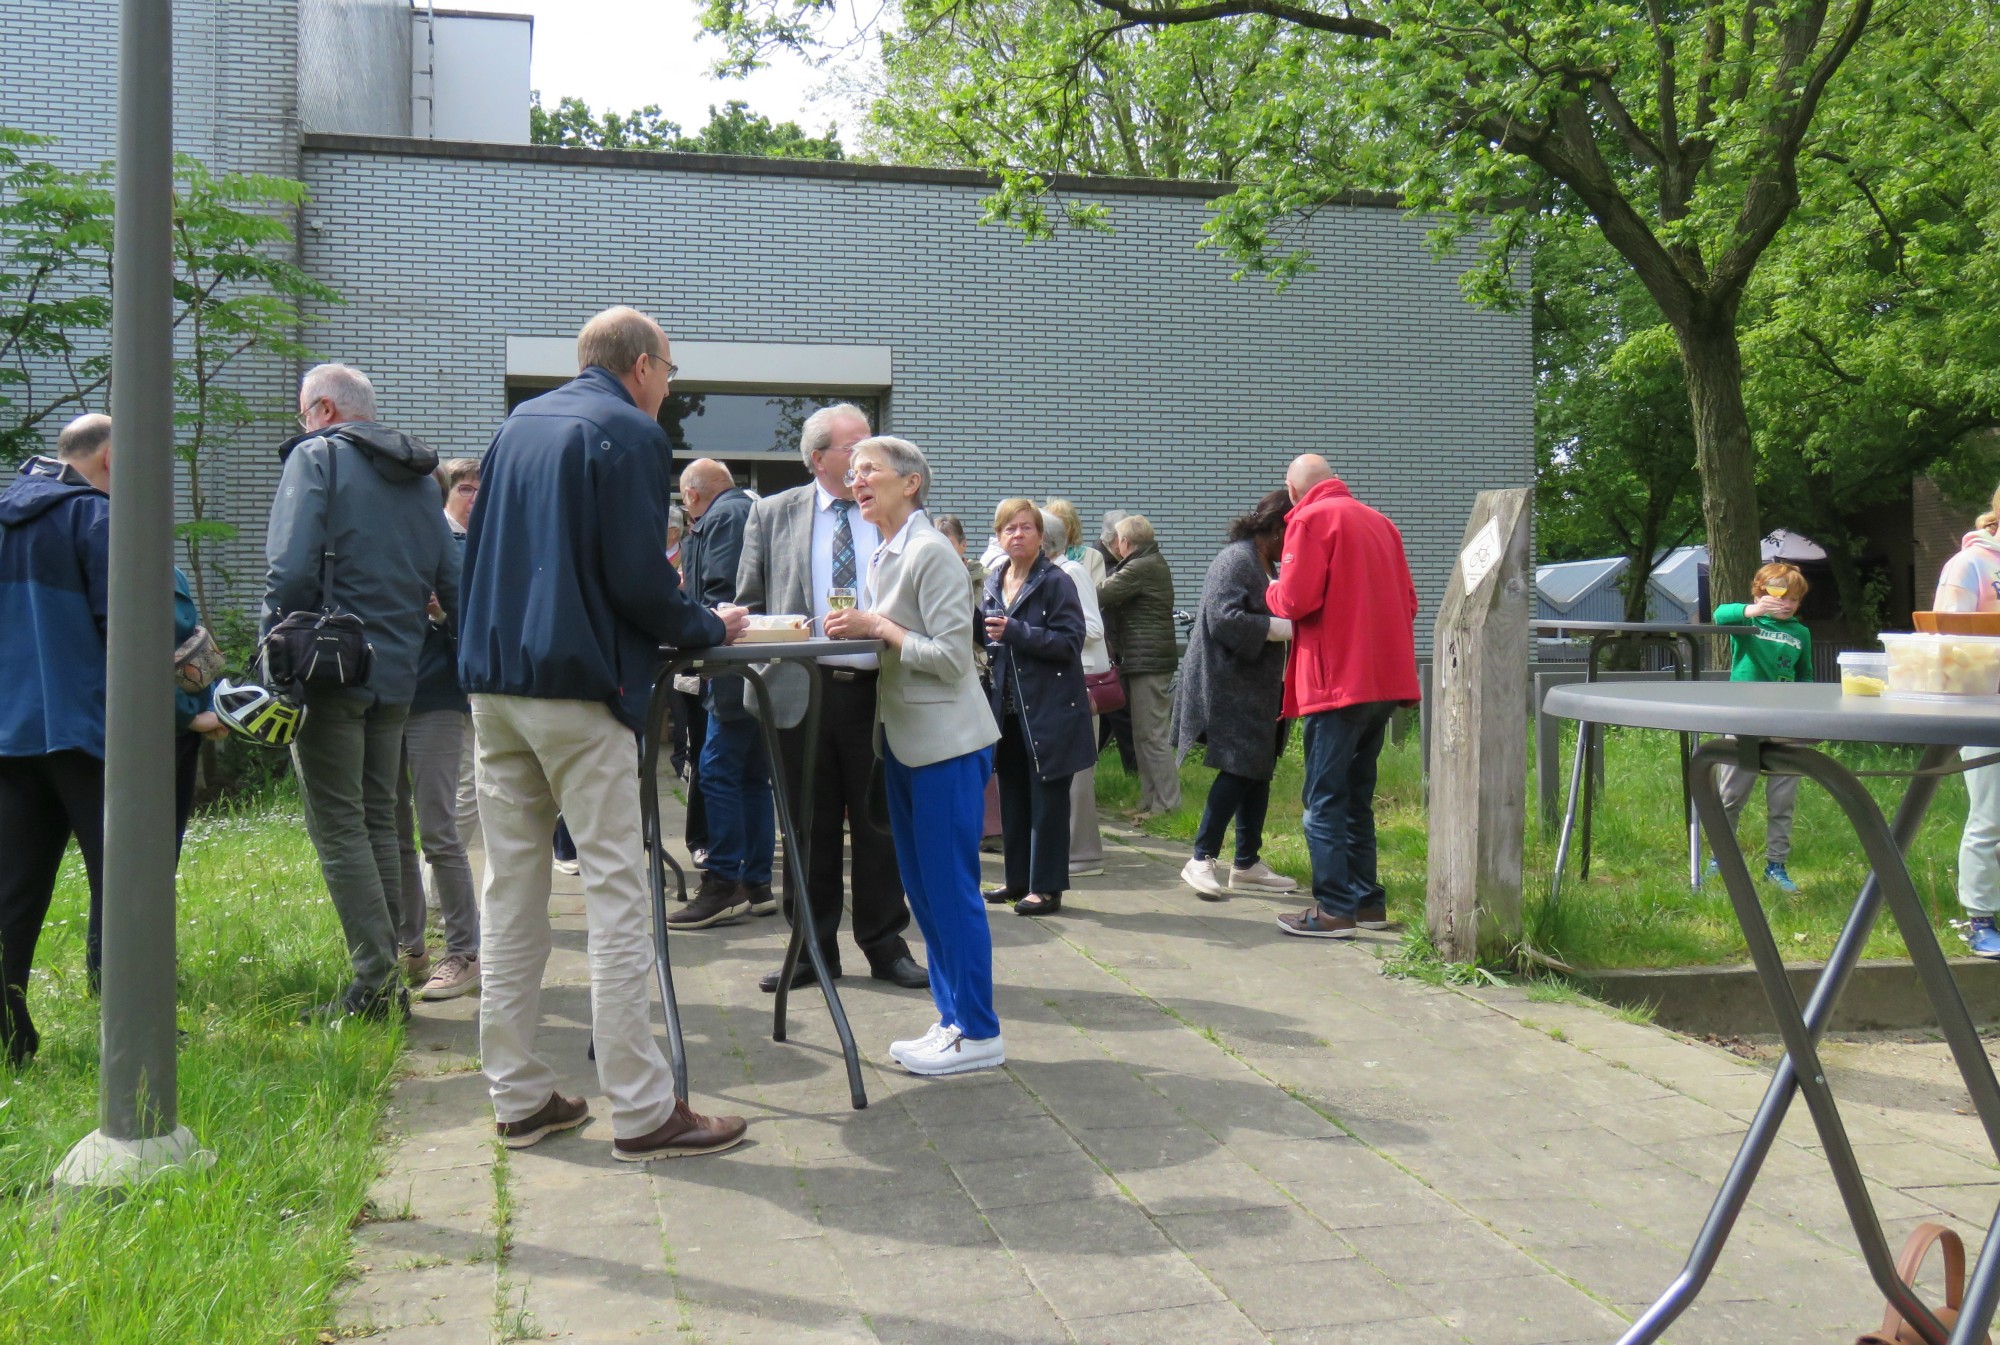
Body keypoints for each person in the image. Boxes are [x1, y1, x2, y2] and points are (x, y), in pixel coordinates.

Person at [460, 305, 749, 1159]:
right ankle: (643, 1109)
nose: (670, 390)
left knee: (510, 890)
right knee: (619, 893)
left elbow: (478, 556)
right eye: (670, 373)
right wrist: (709, 626)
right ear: (644, 365)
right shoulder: (627, 431)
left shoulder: (520, 424)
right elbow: (637, 579)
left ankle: (517, 1097)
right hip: (580, 691)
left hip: (493, 684)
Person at [265, 364, 460, 1021]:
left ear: (321, 409)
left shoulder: (316, 459)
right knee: (382, 819)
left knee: (339, 824)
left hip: (327, 671)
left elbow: (290, 570)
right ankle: (389, 975)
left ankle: (374, 986)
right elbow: (453, 580)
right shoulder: (418, 480)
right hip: (398, 674)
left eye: (301, 415)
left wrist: (276, 656)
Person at [733, 403, 929, 992]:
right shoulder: (772, 513)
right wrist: (784, 634)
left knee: (879, 822)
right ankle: (810, 949)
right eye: (855, 447)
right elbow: (746, 603)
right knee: (805, 824)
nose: (868, 459)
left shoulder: (893, 509)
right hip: (802, 688)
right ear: (819, 458)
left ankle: (884, 944)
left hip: (879, 687)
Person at [824, 436, 1003, 1075]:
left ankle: (979, 1032)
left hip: (946, 748)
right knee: (924, 894)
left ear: (912, 483)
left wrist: (877, 627)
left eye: (869, 470)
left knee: (951, 894)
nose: (856, 481)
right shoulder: (886, 551)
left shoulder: (931, 553)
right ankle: (954, 1019)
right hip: (905, 743)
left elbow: (955, 659)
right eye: (852, 474)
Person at [1266, 454, 1419, 939]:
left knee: (1323, 800)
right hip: (1383, 679)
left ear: (1293, 490)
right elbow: (1410, 602)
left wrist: (1269, 591)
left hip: (1336, 682)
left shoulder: (1309, 519)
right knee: (1356, 796)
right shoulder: (1382, 523)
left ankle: (1333, 910)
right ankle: (1366, 901)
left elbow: (1293, 600)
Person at [0, 415, 113, 1063]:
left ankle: (8, 1035)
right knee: (127, 883)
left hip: (11, 735)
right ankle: (139, 1028)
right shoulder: (96, 521)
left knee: (11, 894)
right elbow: (131, 632)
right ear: (106, 458)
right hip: (88, 734)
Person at [1172, 490, 1297, 899]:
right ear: (1274, 529)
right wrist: (1278, 628)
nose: (1293, 546)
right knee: (1239, 768)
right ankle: (1201, 857)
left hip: (1254, 685)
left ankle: (1246, 862)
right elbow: (1222, 619)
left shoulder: (1259, 561)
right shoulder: (1236, 559)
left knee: (1258, 767)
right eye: (1291, 535)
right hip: (1227, 682)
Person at [391, 458, 483, 1002]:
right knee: (393, 829)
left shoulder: (454, 550)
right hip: (381, 700)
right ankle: (412, 947)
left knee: (439, 829)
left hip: (434, 702)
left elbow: (474, 629)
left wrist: (444, 616)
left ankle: (464, 952)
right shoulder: (382, 547)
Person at [667, 458, 772, 928]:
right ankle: (757, 883)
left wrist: (691, 622)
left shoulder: (723, 517)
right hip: (752, 666)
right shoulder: (744, 509)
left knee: (717, 771)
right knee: (749, 775)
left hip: (731, 664)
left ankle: (724, 880)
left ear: (691, 495)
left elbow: (724, 593)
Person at [980, 500, 1090, 917]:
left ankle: (1046, 888)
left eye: (1027, 527)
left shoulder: (1056, 582)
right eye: (1009, 528)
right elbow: (985, 634)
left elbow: (1069, 643)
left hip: (1049, 708)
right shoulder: (995, 578)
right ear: (999, 536)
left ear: (1041, 536)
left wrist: (1017, 632)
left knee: (1048, 800)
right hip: (1006, 708)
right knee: (1012, 796)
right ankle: (1017, 880)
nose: (1018, 535)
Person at [1711, 563, 1814, 894]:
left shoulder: (1801, 633)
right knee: (1729, 796)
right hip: (1744, 718)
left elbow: (1806, 675)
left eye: (1794, 599)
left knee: (1783, 799)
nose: (1786, 604)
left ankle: (1776, 866)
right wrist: (1753, 609)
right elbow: (1719, 615)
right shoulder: (1748, 619)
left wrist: (1802, 709)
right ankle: (1721, 860)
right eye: (1779, 595)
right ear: (1759, 592)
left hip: (1785, 720)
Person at [1937, 496, 2000, 957]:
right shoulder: (1969, 566)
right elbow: (1947, 642)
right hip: (1985, 708)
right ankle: (1979, 917)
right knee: (1992, 816)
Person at [1096, 513, 1181, 816]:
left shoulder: (1139, 568)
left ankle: (1168, 805)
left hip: (1149, 661)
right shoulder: (1147, 563)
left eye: (1117, 539)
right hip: (1143, 658)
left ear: (1126, 542)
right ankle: (1150, 801)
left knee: (1153, 734)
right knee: (1142, 733)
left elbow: (1100, 594)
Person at [1046, 512, 1108, 878]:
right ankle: (1069, 851)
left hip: (1080, 680)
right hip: (1064, 679)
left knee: (1079, 772)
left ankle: (1084, 855)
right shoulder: (1054, 574)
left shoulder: (1071, 573)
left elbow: (1093, 627)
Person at [1092, 508, 1137, 773]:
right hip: (1107, 648)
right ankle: (1135, 771)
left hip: (1111, 647)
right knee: (1119, 710)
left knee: (1112, 712)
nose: (1128, 547)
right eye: (1125, 541)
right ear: (1114, 540)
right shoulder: (1102, 563)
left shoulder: (1109, 559)